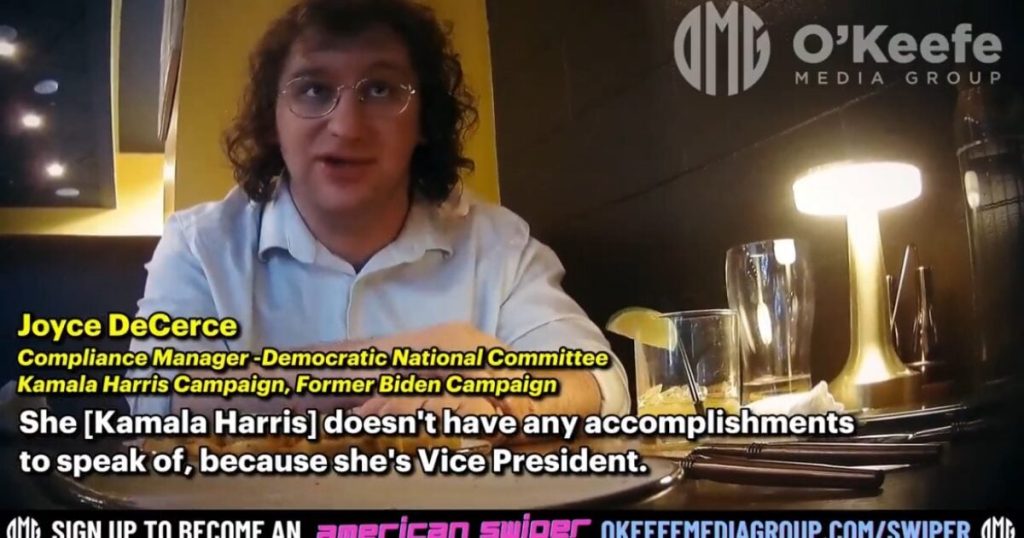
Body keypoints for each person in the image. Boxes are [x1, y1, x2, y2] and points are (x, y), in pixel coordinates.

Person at [127, 0, 628, 430]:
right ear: (273, 119)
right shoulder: (198, 244)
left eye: (382, 90)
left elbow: (597, 380)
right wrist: (410, 359)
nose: (347, 127)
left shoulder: (498, 243)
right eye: (313, 89)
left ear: (424, 120)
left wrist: (501, 404)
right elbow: (160, 397)